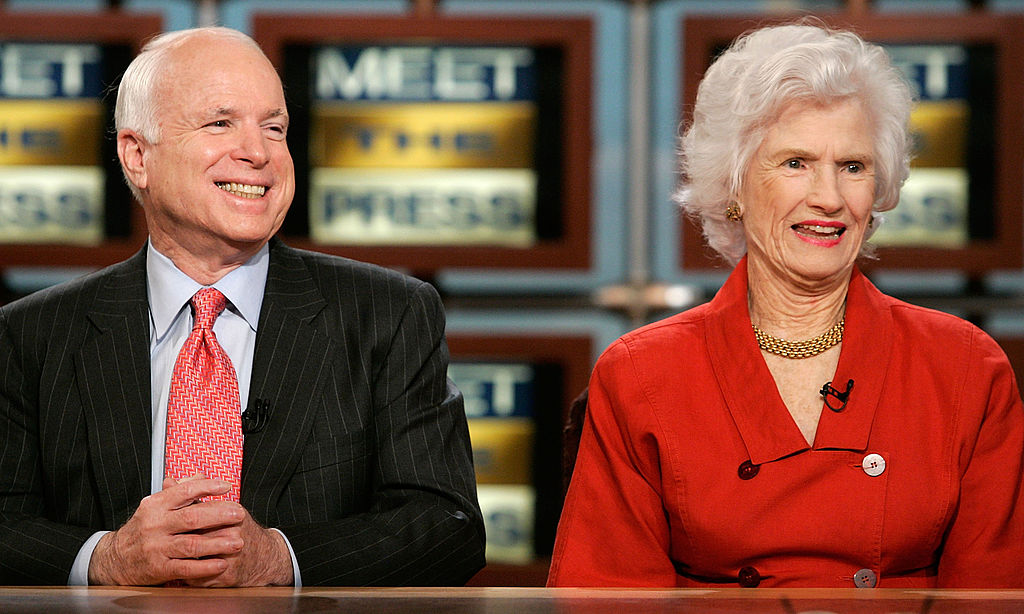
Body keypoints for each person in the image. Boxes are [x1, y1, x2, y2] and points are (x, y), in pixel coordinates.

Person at [0, 27, 484, 587]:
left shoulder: (389, 315)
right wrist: (106, 559)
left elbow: (448, 525)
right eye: (220, 123)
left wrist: (280, 559)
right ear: (137, 156)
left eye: (274, 129)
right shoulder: (30, 335)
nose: (258, 153)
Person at [548, 20, 1024, 588]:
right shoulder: (642, 375)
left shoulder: (965, 367)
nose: (828, 198)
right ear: (734, 189)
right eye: (795, 162)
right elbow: (607, 598)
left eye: (853, 167)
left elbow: (994, 595)